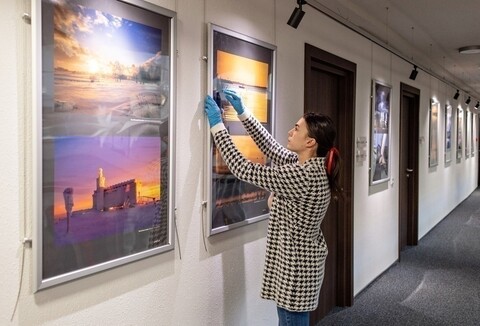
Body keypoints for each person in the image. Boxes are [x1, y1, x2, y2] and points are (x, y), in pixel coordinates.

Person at [204, 89, 341, 326]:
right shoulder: (311, 164)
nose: (290, 131)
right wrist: (243, 112)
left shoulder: (303, 175)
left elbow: (243, 169)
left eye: (297, 128)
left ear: (310, 142)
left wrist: (217, 126)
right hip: (300, 265)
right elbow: (271, 148)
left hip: (296, 270)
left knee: (290, 321)